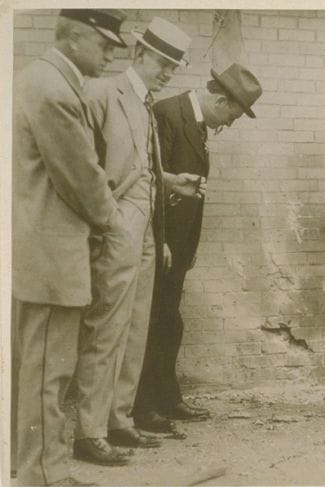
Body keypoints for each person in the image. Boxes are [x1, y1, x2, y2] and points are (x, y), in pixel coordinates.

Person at [73, 17, 204, 466]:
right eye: (161, 61)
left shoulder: (146, 102)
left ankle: (118, 419)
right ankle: (89, 431)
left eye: (173, 66)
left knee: (135, 326)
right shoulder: (104, 94)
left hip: (146, 225)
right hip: (116, 223)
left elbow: (141, 168)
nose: (168, 72)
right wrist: (102, 222)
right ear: (139, 54)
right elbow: (84, 166)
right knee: (106, 326)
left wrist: (171, 180)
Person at [12, 9, 127, 485]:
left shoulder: (44, 79)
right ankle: (43, 475)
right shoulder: (54, 88)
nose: (109, 54)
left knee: (40, 370)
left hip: (44, 250)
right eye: (104, 44)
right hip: (52, 255)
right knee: (48, 374)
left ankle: (34, 465)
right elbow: (81, 174)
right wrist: (112, 221)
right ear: (76, 37)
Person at [133, 64, 263, 433]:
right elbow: (151, 183)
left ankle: (166, 398)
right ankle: (143, 407)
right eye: (231, 118)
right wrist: (159, 241)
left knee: (169, 321)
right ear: (220, 100)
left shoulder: (195, 122)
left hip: (177, 246)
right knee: (154, 321)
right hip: (160, 244)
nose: (227, 125)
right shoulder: (167, 115)